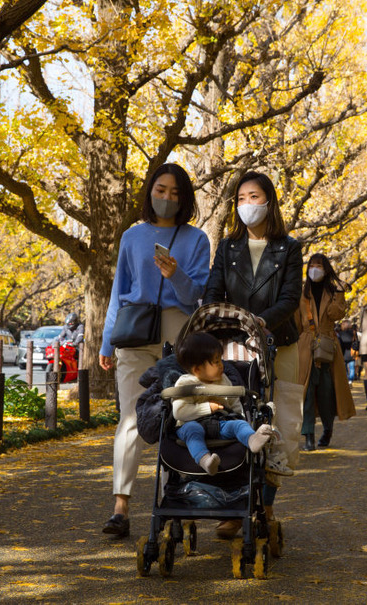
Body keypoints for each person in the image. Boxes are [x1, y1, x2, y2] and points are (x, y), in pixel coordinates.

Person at [99, 163, 211, 539]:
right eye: (161, 190)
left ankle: (172, 502)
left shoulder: (197, 240)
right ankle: (120, 505)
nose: (167, 198)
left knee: (177, 418)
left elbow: (195, 295)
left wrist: (175, 273)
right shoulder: (132, 237)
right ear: (150, 191)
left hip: (177, 332)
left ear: (186, 199)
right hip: (133, 331)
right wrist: (105, 340)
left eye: (176, 193)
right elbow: (119, 291)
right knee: (130, 418)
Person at [203, 170, 303, 534]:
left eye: (255, 197)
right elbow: (214, 293)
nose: (248, 204)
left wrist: (262, 321)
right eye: (242, 198)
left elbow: (290, 298)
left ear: (270, 201)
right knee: (233, 420)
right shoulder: (227, 248)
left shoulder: (289, 248)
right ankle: (233, 507)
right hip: (234, 346)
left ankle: (267, 506)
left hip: (279, 342)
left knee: (277, 424)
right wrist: (221, 322)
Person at [172, 332, 274, 474]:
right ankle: (206, 460)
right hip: (191, 424)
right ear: (197, 369)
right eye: (216, 362)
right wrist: (208, 408)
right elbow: (179, 412)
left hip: (220, 424)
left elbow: (234, 402)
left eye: (221, 360)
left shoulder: (223, 379)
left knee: (238, 425)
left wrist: (241, 417)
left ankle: (252, 439)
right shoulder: (185, 383)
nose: (222, 365)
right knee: (192, 430)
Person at [295, 254, 355, 451]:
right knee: (307, 392)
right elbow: (296, 321)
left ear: (326, 268)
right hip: (305, 347)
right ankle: (309, 436)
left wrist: (338, 293)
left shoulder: (333, 291)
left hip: (328, 345)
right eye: (311, 265)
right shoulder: (302, 292)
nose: (314, 269)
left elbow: (335, 314)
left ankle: (328, 429)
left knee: (327, 391)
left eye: (318, 265)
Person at [336, 320, 357, 386]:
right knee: (352, 368)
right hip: (351, 353)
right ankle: (350, 380)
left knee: (345, 369)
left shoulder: (340, 333)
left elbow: (340, 344)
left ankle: (346, 380)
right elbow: (356, 342)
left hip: (343, 353)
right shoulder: (353, 333)